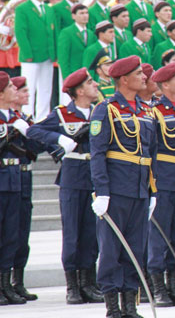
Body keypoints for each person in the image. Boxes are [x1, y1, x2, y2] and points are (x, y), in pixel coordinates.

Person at [28, 68, 103, 305]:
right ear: (79, 91)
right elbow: (33, 130)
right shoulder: (62, 114)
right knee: (73, 234)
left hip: (95, 178)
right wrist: (60, 139)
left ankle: (88, 283)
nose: (96, 86)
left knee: (92, 235)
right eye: (90, 83)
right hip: (72, 178)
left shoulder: (99, 112)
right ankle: (73, 285)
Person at [89, 56, 157, 318]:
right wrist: (102, 191)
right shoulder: (106, 109)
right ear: (124, 79)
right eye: (139, 73)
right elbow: (98, 153)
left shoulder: (146, 109)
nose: (144, 77)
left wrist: (153, 191)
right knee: (111, 250)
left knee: (135, 248)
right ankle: (113, 307)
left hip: (140, 189)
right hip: (116, 189)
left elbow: (151, 153)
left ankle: (130, 305)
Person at [146, 63, 175, 307]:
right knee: (159, 233)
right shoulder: (155, 112)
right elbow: (151, 148)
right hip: (163, 177)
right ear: (165, 85)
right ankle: (157, 287)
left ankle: (174, 285)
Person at [0, 72, 32, 305]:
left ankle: (6, 285)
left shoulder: (16, 118)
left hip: (14, 180)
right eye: (11, 86)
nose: (15, 90)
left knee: (12, 236)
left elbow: (35, 147)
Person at [9, 76, 41, 302]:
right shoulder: (7, 121)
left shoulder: (24, 119)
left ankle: (17, 282)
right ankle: (5, 284)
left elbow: (36, 148)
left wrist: (29, 132)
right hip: (8, 177)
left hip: (23, 177)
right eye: (23, 91)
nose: (27, 95)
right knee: (8, 233)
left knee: (21, 233)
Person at [14, 0, 57, 122]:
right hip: (31, 55)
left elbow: (53, 31)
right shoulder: (22, 8)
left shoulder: (48, 9)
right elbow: (21, 31)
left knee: (45, 87)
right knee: (29, 88)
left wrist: (54, 52)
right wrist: (27, 53)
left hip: (47, 54)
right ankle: (27, 116)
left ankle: (43, 117)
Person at [57, 4, 97, 104]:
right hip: (72, 72)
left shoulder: (91, 33)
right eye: (81, 13)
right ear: (73, 16)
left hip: (86, 74)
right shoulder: (67, 32)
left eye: (86, 13)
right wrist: (66, 77)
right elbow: (63, 57)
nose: (85, 16)